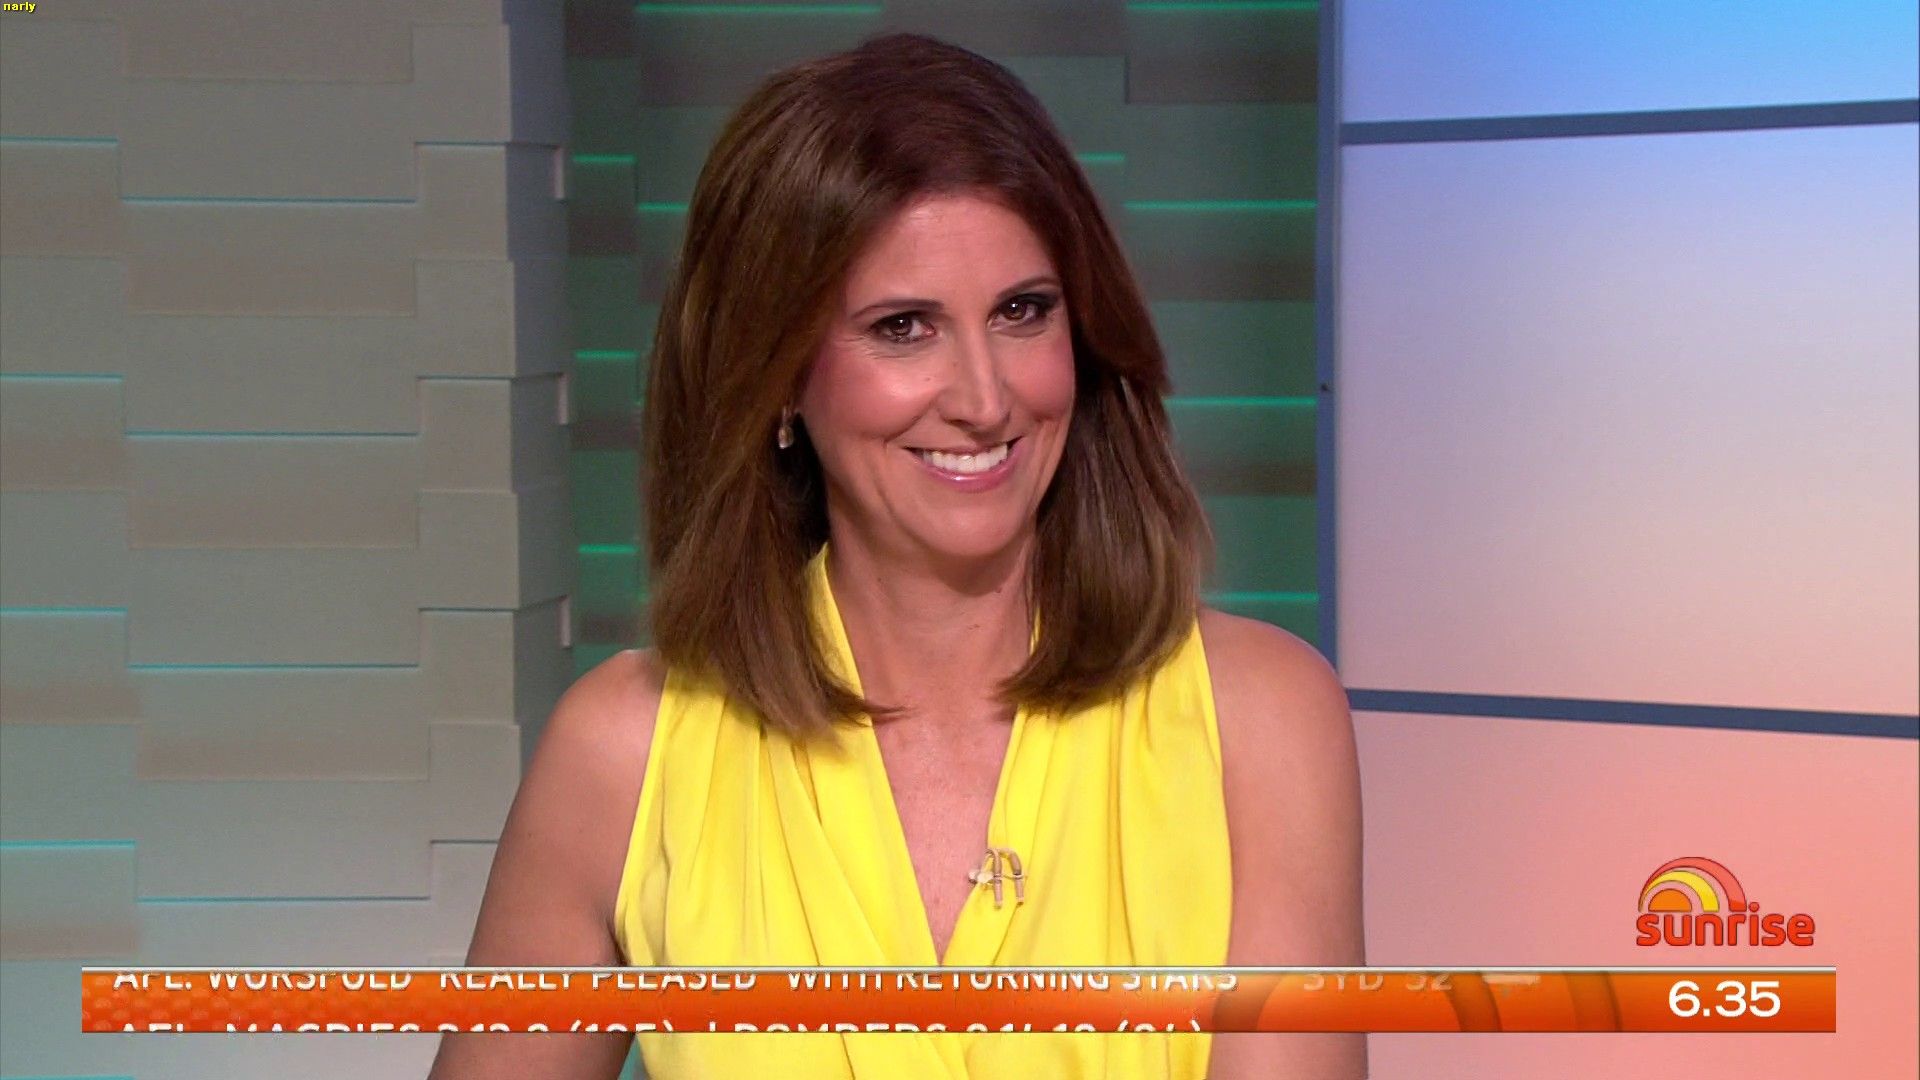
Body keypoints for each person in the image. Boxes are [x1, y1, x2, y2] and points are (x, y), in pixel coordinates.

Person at [430, 32, 1363, 1080]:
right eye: (904, 327)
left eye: (1022, 312)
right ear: (778, 374)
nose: (984, 399)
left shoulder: (1260, 720)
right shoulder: (624, 752)